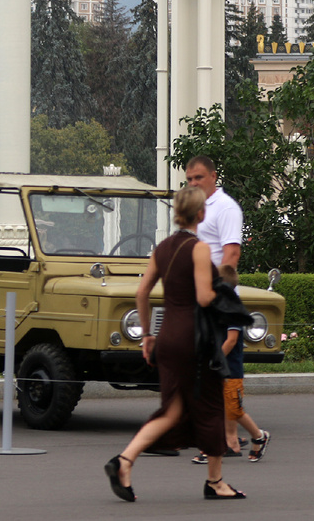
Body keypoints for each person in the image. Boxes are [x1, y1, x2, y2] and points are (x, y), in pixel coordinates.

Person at [103, 186, 246, 502]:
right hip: (193, 341)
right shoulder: (199, 249)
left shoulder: (163, 248)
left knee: (173, 410)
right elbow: (204, 297)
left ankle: (124, 462)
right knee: (210, 406)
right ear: (201, 214)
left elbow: (142, 293)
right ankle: (215, 482)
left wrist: (148, 336)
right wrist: (227, 294)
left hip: (167, 337)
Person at [192, 265, 271, 465]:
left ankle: (259, 436)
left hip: (230, 370)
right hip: (218, 369)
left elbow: (231, 341)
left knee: (234, 410)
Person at [185, 155, 243, 270]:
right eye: (190, 179)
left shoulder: (225, 207)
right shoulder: (192, 207)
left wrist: (218, 286)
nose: (193, 183)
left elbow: (232, 254)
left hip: (213, 285)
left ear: (213, 176)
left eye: (198, 177)